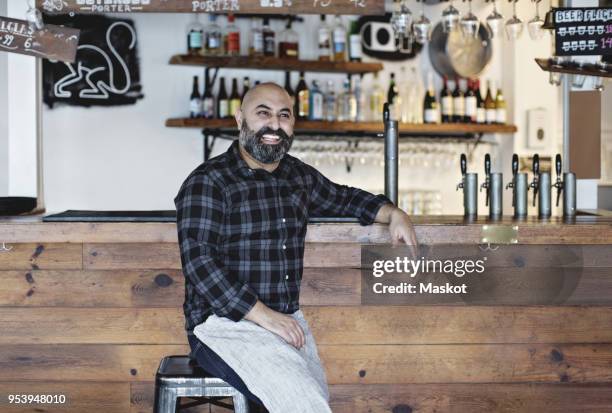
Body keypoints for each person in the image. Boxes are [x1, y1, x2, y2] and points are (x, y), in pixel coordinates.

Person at [174, 82, 418, 412]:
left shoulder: (297, 176)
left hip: (285, 322)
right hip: (222, 326)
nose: (274, 125)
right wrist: (265, 317)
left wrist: (393, 213)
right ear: (239, 118)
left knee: (312, 400)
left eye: (284, 115)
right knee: (307, 405)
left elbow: (344, 198)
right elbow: (200, 264)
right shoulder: (208, 181)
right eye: (263, 113)